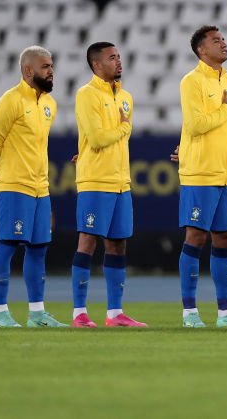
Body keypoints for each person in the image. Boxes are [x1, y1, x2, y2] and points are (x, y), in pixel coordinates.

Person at [0, 46, 64, 328]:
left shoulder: (49, 104)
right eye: (45, 66)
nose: (51, 70)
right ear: (28, 71)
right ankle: (0, 313)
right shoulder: (11, 100)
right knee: (7, 245)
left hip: (40, 187)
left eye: (52, 65)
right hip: (14, 184)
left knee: (39, 248)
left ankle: (37, 313)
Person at [70, 42, 146, 328]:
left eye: (119, 56)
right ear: (97, 65)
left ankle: (115, 313)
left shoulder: (125, 96)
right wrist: (125, 127)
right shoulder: (86, 94)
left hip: (120, 181)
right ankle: (79, 313)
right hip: (95, 180)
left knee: (117, 244)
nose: (118, 61)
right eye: (112, 58)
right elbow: (99, 138)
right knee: (87, 242)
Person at [177, 26, 227, 328]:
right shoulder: (192, 82)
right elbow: (195, 125)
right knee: (196, 236)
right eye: (216, 41)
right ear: (202, 50)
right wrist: (225, 109)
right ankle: (190, 311)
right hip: (200, 172)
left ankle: (226, 313)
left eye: (223, 39)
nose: (223, 43)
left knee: (225, 238)